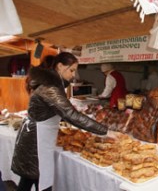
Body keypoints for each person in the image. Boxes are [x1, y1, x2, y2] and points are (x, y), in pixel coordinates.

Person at [11, 52, 116, 191]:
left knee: (30, 179)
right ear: (60, 66)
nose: (73, 75)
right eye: (71, 70)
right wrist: (105, 131)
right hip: (36, 142)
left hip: (36, 138)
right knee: (40, 181)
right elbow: (70, 114)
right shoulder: (50, 88)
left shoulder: (51, 84)